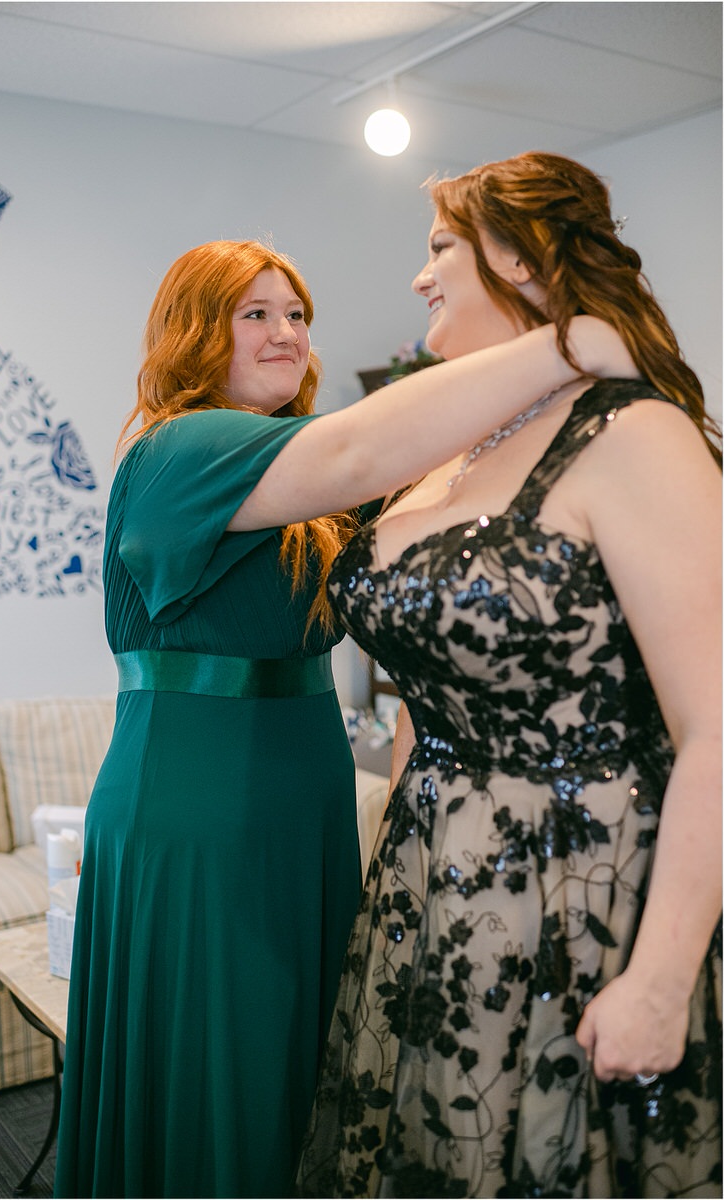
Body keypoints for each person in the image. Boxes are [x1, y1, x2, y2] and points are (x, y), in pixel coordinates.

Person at [53, 237, 635, 1200]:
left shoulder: (309, 489)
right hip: (201, 810)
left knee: (301, 1056)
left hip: (305, 803)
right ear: (196, 332)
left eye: (297, 315)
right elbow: (373, 444)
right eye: (256, 314)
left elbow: (437, 505)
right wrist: (568, 343)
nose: (287, 333)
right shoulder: (177, 446)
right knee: (225, 1058)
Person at [295, 152, 722, 1199]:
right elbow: (415, 696)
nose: (418, 275)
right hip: (426, 886)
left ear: (524, 260)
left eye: (440, 244)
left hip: (577, 893)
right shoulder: (440, 454)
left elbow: (715, 722)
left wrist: (661, 984)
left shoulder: (632, 435)